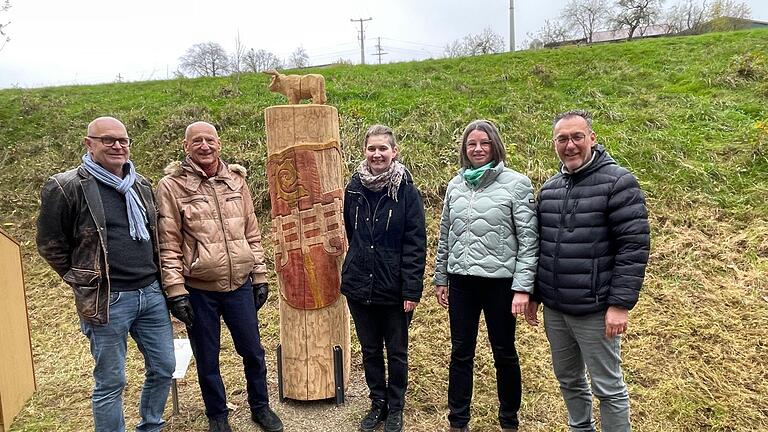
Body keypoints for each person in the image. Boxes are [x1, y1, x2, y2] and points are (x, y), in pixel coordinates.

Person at [36, 116, 175, 432]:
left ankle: (151, 424)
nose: (117, 146)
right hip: (107, 299)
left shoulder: (140, 184)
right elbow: (49, 243)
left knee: (164, 366)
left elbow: (155, 237)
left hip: (151, 294)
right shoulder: (67, 186)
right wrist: (80, 278)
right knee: (112, 380)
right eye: (107, 140)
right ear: (89, 144)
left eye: (122, 140)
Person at [526, 110, 650, 432]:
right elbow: (543, 247)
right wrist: (536, 295)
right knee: (568, 380)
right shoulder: (550, 189)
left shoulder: (618, 182)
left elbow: (633, 246)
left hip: (595, 309)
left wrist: (619, 304)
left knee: (607, 388)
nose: (570, 145)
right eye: (562, 139)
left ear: (592, 138)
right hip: (556, 309)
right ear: (554, 143)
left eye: (577, 137)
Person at [155, 121, 283, 432]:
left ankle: (260, 406)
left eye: (209, 140)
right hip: (199, 288)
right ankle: (217, 415)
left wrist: (260, 275)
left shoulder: (236, 181)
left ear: (219, 144)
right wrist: (175, 291)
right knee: (208, 358)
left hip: (239, 283)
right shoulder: (171, 186)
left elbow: (252, 232)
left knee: (253, 351)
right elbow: (168, 243)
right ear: (186, 147)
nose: (204, 146)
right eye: (196, 141)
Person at [434, 119, 539, 432]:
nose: (477, 149)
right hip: (462, 282)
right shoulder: (456, 185)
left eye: (484, 143)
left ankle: (509, 421)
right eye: (471, 144)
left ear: (495, 145)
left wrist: (523, 288)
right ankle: (458, 422)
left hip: (501, 285)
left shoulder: (516, 183)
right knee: (460, 353)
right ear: (464, 149)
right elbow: (445, 234)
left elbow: (529, 240)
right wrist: (442, 276)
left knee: (504, 352)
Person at [341, 124, 427, 432]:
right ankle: (377, 402)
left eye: (383, 148)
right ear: (364, 151)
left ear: (394, 152)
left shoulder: (407, 191)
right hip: (359, 285)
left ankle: (396, 406)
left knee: (397, 351)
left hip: (395, 287)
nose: (377, 154)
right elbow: (352, 234)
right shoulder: (353, 188)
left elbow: (416, 243)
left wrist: (412, 289)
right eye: (372, 148)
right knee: (370, 350)